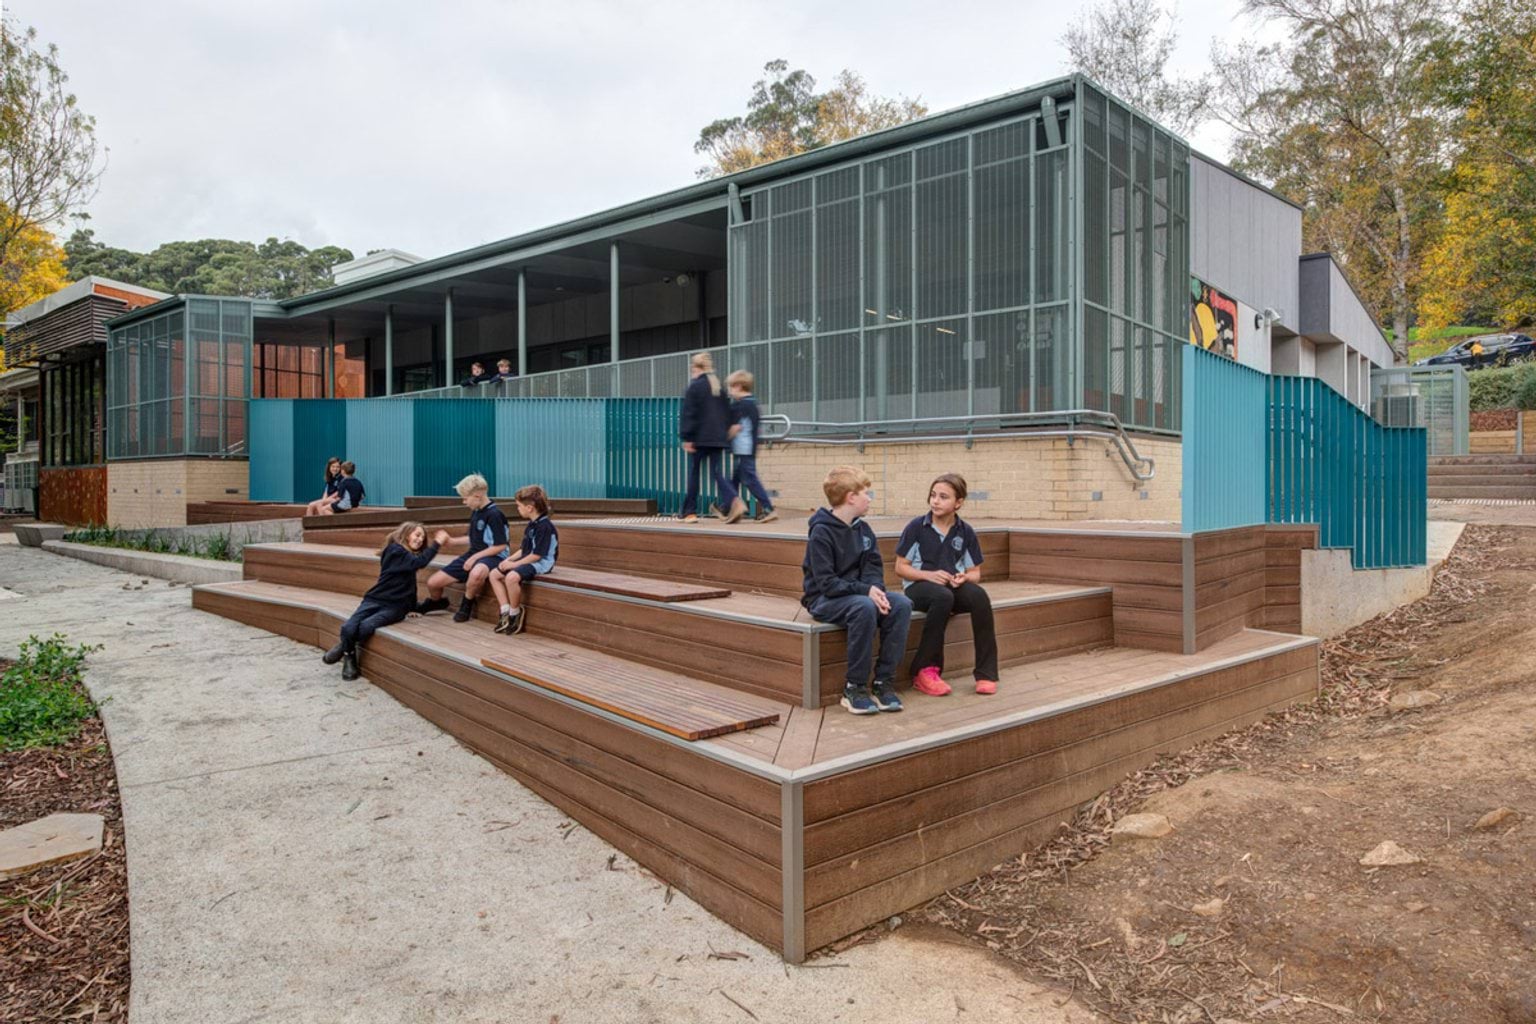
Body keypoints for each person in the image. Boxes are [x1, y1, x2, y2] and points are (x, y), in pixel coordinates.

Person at [802, 466, 912, 715]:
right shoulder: (821, 532)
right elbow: (827, 584)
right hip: (824, 598)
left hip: (859, 595)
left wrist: (878, 592)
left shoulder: (864, 530)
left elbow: (873, 567)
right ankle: (854, 688)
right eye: (867, 493)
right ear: (851, 497)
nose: (870, 499)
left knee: (902, 605)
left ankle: (884, 682)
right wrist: (866, 592)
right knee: (863, 607)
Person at [895, 473, 999, 696]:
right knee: (943, 597)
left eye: (943, 497)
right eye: (933, 495)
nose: (935, 501)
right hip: (918, 587)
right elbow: (900, 567)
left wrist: (964, 577)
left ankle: (986, 673)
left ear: (958, 503)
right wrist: (927, 575)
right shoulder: (916, 527)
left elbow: (975, 573)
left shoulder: (965, 531)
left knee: (979, 596)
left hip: (949, 587)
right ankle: (925, 671)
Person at [323, 521, 450, 681]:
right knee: (349, 626)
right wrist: (437, 543)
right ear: (406, 534)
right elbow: (420, 563)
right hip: (375, 599)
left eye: (422, 538)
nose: (420, 539)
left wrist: (412, 607)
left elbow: (409, 586)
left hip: (396, 607)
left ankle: (345, 650)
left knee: (367, 626)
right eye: (417, 535)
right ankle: (348, 653)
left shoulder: (408, 558)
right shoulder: (395, 550)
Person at [419, 473, 510, 623]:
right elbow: (473, 538)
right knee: (433, 583)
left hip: (494, 556)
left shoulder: (494, 515)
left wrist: (474, 558)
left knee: (476, 572)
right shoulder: (476, 512)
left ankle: (467, 603)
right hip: (475, 554)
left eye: (465, 498)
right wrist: (451, 542)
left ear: (477, 496)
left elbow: (500, 546)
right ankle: (437, 602)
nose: (464, 502)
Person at [679, 351, 744, 524]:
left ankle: (690, 512)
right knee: (716, 472)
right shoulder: (718, 388)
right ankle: (735, 501)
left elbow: (689, 413)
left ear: (695, 367)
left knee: (694, 472)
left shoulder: (694, 386)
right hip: (717, 438)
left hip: (699, 438)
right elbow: (729, 412)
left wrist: (686, 437)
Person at [487, 484, 558, 635]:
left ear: (529, 508)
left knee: (511, 578)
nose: (517, 509)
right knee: (494, 574)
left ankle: (515, 613)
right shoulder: (532, 524)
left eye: (519, 506)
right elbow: (523, 550)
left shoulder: (545, 526)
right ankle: (505, 610)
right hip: (529, 558)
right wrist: (508, 560)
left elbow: (537, 555)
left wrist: (513, 565)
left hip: (542, 563)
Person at [727, 370, 777, 523]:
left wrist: (724, 439)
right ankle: (727, 508)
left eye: (731, 387)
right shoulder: (753, 404)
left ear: (739, 386)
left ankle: (768, 508)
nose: (729, 391)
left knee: (749, 479)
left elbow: (735, 428)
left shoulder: (740, 405)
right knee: (735, 478)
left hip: (743, 448)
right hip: (750, 447)